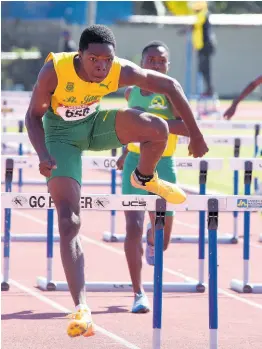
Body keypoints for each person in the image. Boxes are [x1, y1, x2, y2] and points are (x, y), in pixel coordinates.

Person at [25, 25, 208, 338]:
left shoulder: (119, 70)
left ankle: (144, 176)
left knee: (157, 128)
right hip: (59, 137)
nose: (101, 66)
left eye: (106, 60)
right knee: (69, 221)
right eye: (93, 59)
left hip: (96, 126)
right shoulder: (54, 71)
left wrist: (197, 133)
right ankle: (82, 307)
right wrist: (42, 153)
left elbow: (171, 85)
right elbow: (32, 116)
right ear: (79, 56)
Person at [117, 41, 189, 313]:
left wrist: (153, 126)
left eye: (162, 61)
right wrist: (125, 152)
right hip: (134, 163)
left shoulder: (172, 93)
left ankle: (153, 239)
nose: (157, 65)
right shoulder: (130, 92)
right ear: (142, 62)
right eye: (152, 60)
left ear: (168, 65)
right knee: (132, 228)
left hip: (164, 164)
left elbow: (185, 127)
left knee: (163, 237)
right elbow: (127, 124)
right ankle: (138, 293)